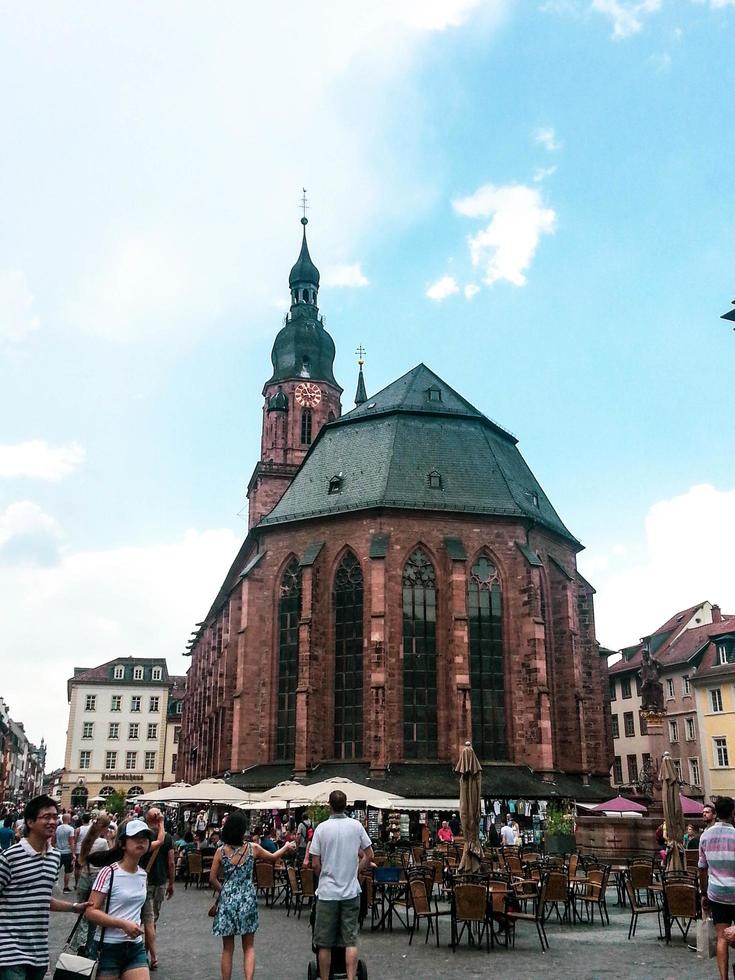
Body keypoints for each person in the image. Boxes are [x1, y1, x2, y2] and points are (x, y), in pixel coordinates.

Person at [0, 794, 88, 980]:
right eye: (46, 817)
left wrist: (74, 907)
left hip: (38, 952)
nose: (52, 822)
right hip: (8, 952)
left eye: (55, 817)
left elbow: (41, 899)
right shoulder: (10, 857)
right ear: (30, 822)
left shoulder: (54, 857)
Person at [209, 810, 296, 980]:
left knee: (227, 948)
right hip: (247, 897)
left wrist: (225, 890)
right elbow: (272, 858)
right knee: (248, 946)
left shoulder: (221, 851)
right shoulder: (252, 848)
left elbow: (212, 878)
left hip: (227, 900)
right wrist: (285, 847)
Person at [309, 790, 374, 980]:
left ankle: (324, 977)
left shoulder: (321, 828)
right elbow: (369, 855)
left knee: (324, 943)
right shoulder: (356, 826)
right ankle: (351, 977)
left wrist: (324, 878)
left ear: (329, 805)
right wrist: (356, 872)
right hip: (351, 892)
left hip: (327, 893)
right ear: (346, 805)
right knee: (350, 940)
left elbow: (314, 863)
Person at [86, 818, 153, 980]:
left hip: (135, 947)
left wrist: (151, 941)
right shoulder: (109, 872)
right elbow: (90, 911)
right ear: (123, 844)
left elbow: (144, 913)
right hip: (108, 947)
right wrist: (122, 924)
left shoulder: (143, 875)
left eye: (145, 837)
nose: (141, 841)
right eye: (135, 837)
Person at [699, 796, 735, 980]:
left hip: (717, 893)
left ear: (716, 813)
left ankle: (724, 978)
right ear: (733, 813)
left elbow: (702, 868)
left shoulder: (705, 836)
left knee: (721, 936)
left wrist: (704, 893)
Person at [76, 814, 112, 955]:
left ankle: (81, 943)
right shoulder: (102, 843)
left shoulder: (87, 840)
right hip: (97, 878)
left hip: (84, 876)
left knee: (82, 912)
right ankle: (89, 945)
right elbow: (110, 858)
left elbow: (81, 860)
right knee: (95, 913)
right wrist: (110, 840)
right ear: (103, 828)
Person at [55, 813, 76, 893]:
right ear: (68, 819)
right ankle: (65, 887)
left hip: (58, 851)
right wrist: (73, 853)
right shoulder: (70, 829)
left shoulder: (57, 828)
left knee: (56, 869)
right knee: (68, 870)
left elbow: (54, 839)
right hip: (67, 852)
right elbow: (71, 842)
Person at [74, 813, 92, 886]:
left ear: (82, 820)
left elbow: (75, 841)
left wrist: (73, 851)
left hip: (79, 850)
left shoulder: (78, 829)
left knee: (77, 868)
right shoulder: (91, 829)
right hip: (88, 849)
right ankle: (83, 884)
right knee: (84, 867)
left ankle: (76, 883)